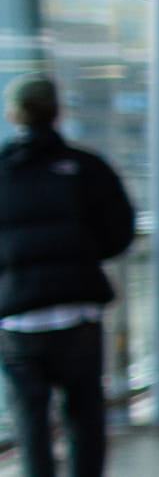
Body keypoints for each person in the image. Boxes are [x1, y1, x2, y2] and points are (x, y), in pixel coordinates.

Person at [0, 74, 129, 477]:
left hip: (18, 314)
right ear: (58, 112)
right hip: (79, 308)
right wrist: (81, 255)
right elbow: (119, 233)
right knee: (85, 411)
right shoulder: (88, 167)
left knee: (30, 418)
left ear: (13, 114)